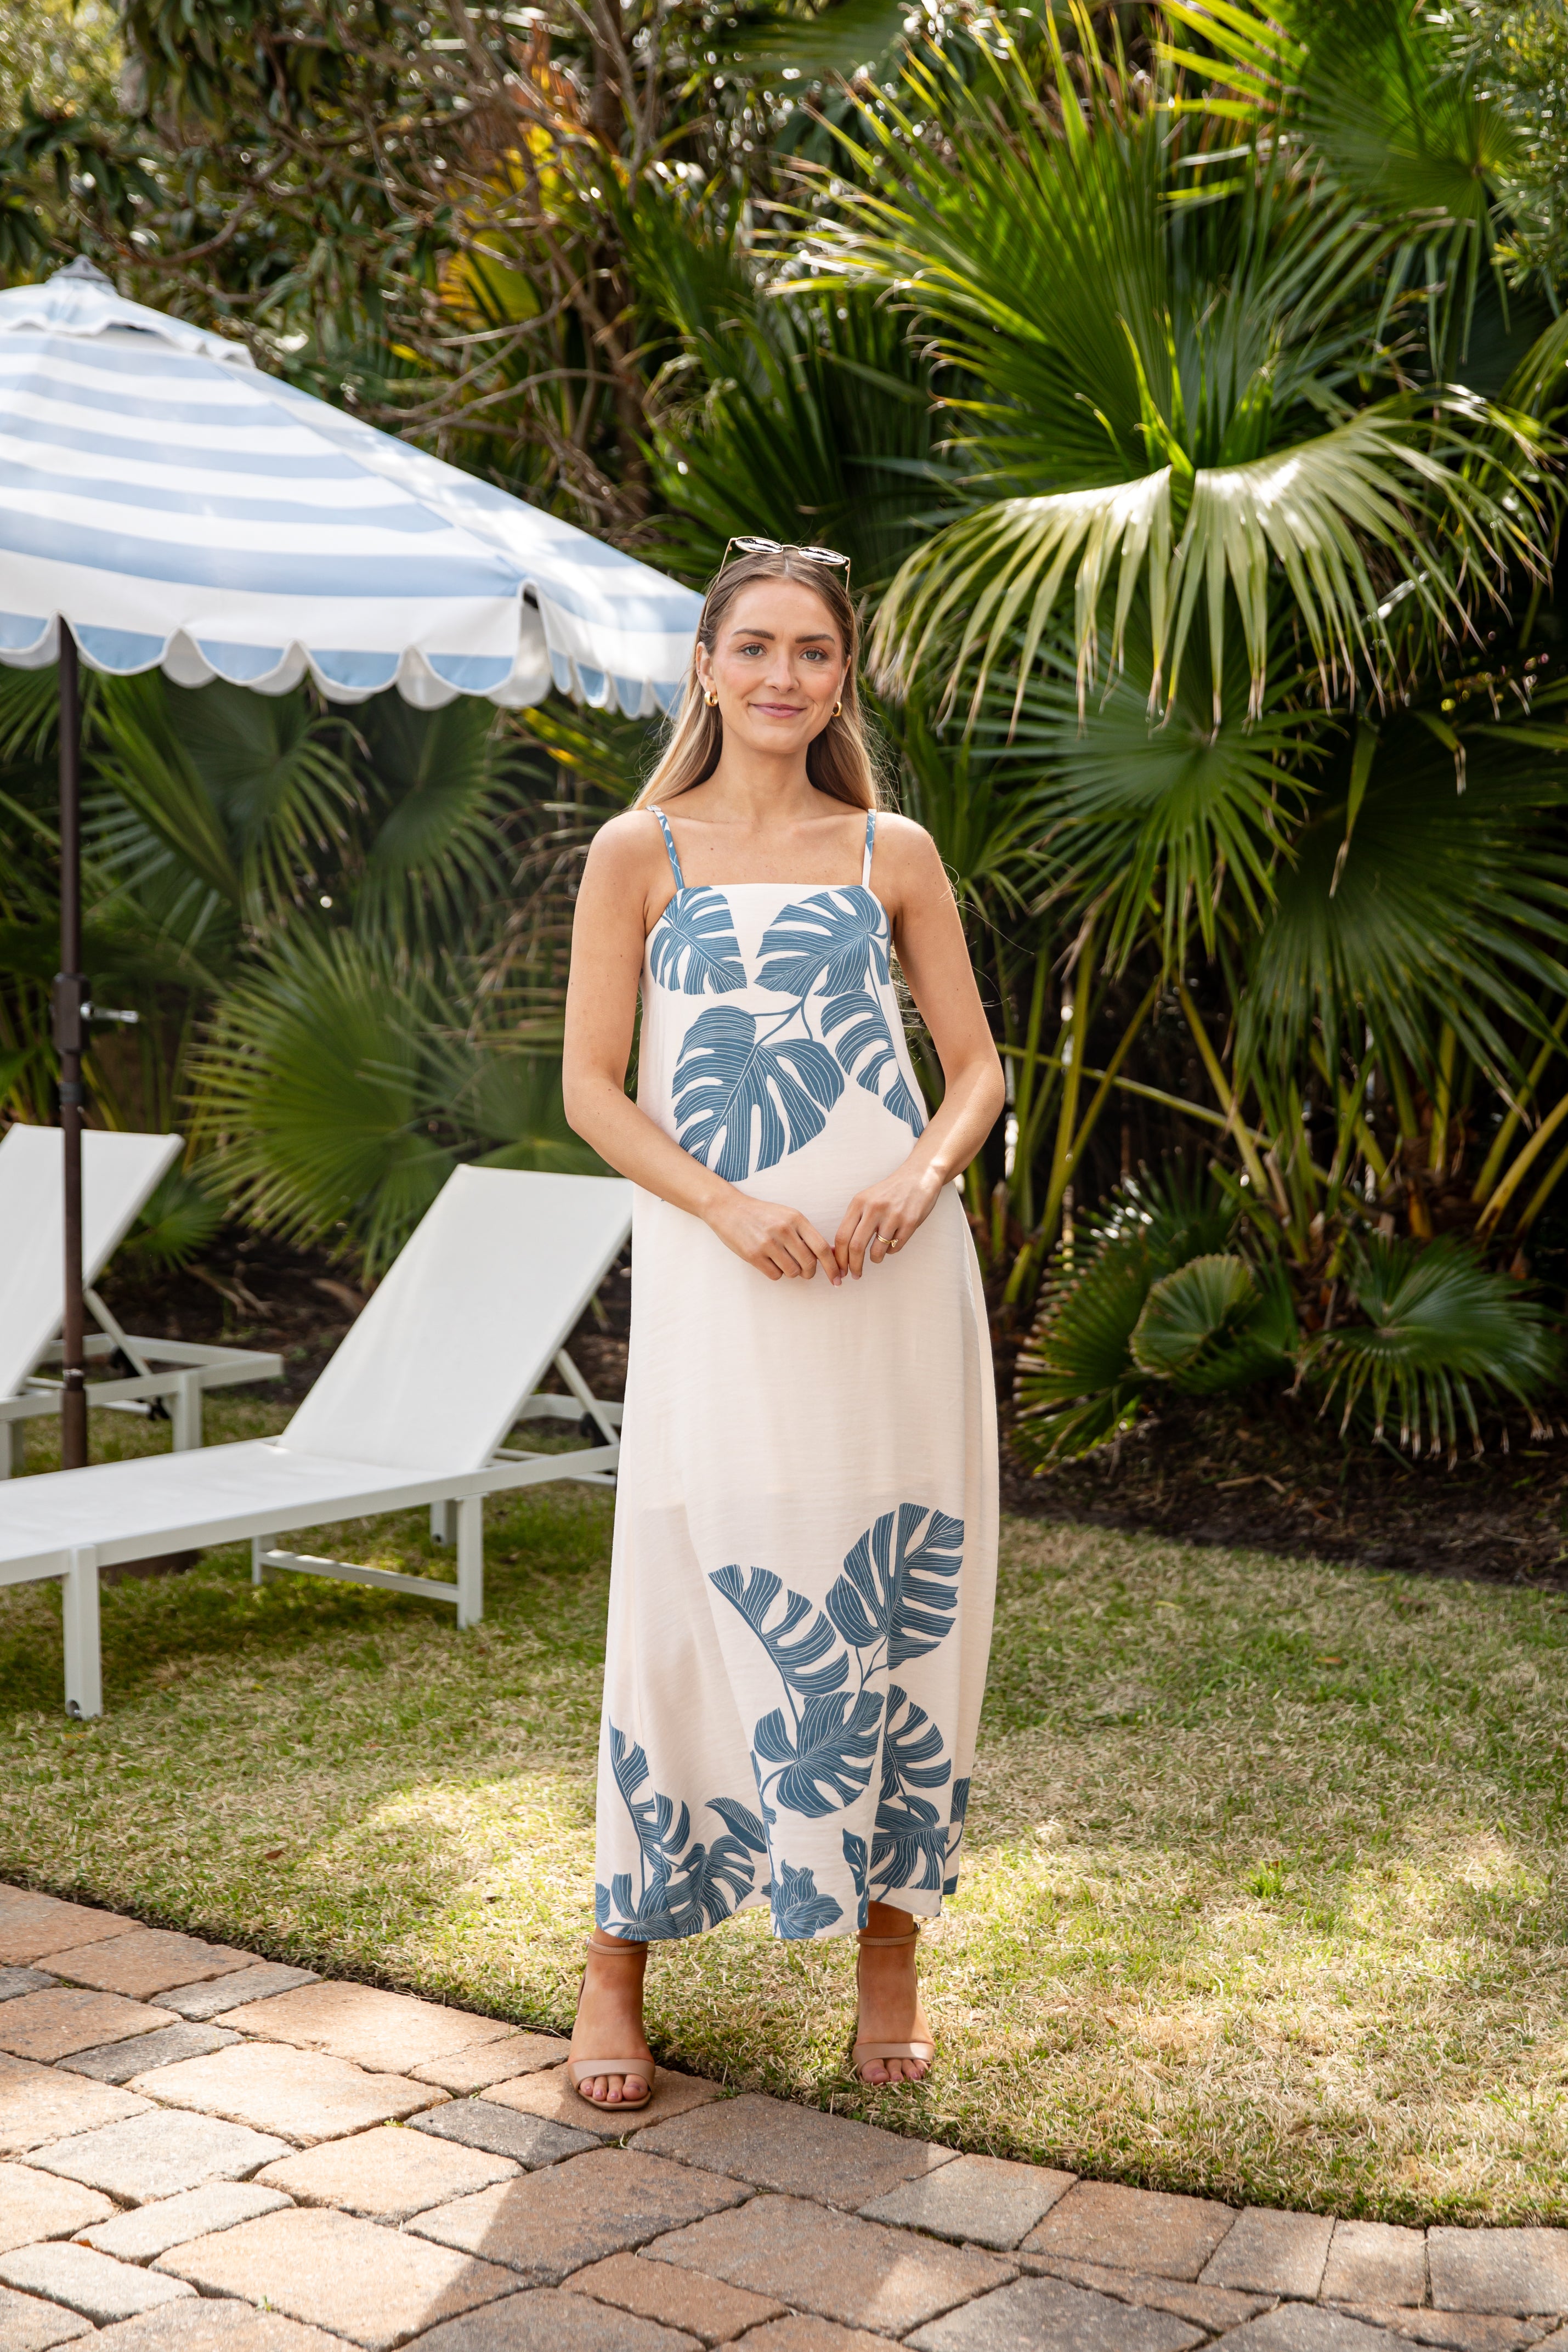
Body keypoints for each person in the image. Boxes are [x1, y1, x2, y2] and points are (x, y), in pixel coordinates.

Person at [561, 539, 1003, 2109]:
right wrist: (728, 1207)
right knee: (688, 1587)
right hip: (718, 1280)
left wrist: (917, 1177)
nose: (780, 676)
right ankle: (616, 1966)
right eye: (754, 646)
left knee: (903, 1597)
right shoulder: (639, 851)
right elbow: (590, 1090)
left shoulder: (891, 850)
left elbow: (974, 1071)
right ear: (704, 664)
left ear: (840, 676)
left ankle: (889, 1955)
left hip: (895, 1284)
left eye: (811, 652)